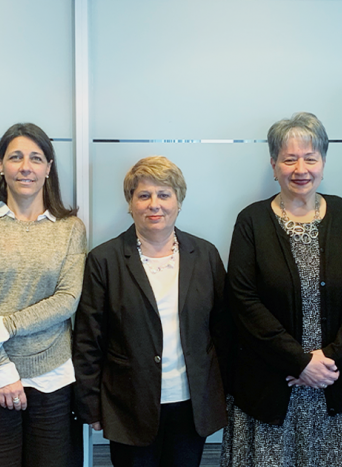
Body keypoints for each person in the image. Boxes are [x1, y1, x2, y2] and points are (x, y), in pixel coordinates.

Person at [221, 112, 342, 466]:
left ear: (323, 162)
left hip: (336, 384)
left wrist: (327, 359)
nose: (300, 168)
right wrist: (300, 361)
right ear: (273, 165)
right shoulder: (252, 221)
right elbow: (243, 301)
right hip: (270, 386)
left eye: (310, 157)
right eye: (289, 159)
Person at [73, 156, 229, 467]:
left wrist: (224, 394)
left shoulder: (206, 255)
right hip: (128, 405)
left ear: (179, 201)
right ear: (130, 203)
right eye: (143, 195)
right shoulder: (104, 260)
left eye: (164, 194)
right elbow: (88, 339)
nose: (154, 204)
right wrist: (91, 405)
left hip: (191, 405)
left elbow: (223, 329)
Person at [0, 122, 87, 467]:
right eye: (15, 157)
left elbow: (67, 300)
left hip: (52, 376)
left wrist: (1, 328)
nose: (25, 167)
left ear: (48, 168)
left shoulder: (70, 229)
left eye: (36, 158)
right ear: (0, 165)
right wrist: (1, 371)